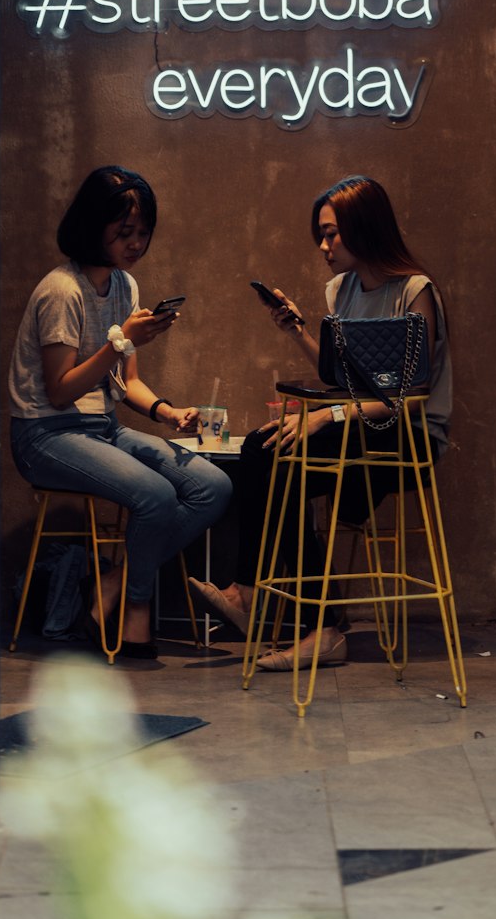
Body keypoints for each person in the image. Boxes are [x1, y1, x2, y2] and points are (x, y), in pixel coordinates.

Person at [189, 175, 451, 670]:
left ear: (364, 228)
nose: (324, 245)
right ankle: (260, 599)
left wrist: (325, 416)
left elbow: (410, 396)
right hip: (359, 424)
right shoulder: (342, 291)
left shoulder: (414, 291)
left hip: (409, 436)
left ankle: (312, 622)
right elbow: (343, 378)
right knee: (260, 449)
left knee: (285, 463)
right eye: (322, 235)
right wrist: (300, 332)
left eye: (332, 233)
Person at [9, 165, 232, 659]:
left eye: (143, 232)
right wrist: (123, 341)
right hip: (44, 434)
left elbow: (126, 383)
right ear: (94, 226)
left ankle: (110, 585)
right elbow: (61, 390)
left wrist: (168, 412)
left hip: (101, 429)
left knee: (211, 486)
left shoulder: (125, 287)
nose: (136, 243)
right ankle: (135, 613)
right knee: (154, 495)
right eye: (124, 232)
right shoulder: (61, 291)